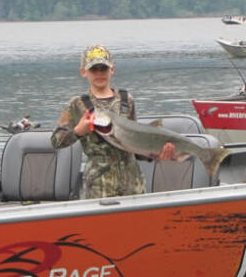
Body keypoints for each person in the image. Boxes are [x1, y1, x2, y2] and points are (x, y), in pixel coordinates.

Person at [50, 44, 175, 199]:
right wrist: (78, 132)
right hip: (98, 186)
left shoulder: (126, 100)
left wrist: (156, 154)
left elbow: (135, 146)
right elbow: (56, 141)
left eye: (104, 68)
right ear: (83, 72)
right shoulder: (76, 104)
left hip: (133, 184)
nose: (99, 73)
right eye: (94, 69)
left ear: (112, 70)